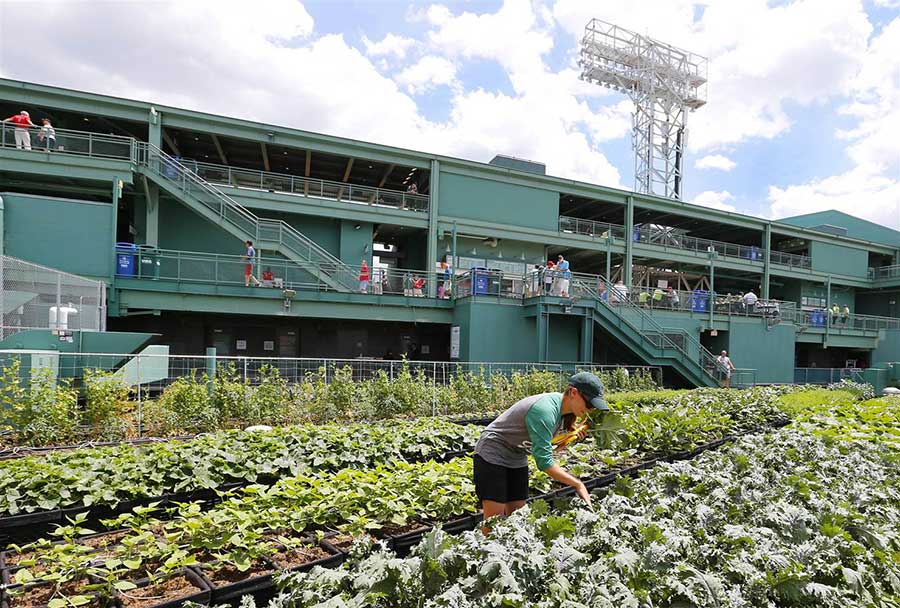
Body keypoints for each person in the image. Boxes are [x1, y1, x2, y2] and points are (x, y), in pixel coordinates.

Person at [473, 372, 608, 530]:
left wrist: (568, 439)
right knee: (493, 524)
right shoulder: (545, 410)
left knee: (517, 518)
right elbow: (544, 463)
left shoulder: (566, 414)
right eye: (589, 404)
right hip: (493, 453)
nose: (590, 410)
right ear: (573, 393)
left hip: (517, 456)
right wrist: (577, 484)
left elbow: (549, 448)